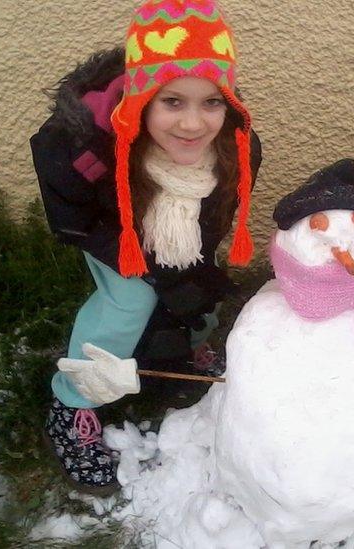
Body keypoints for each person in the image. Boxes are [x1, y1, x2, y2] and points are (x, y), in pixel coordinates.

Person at [30, 0, 261, 493]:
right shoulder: (85, 145)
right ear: (141, 99)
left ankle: (184, 352)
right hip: (113, 234)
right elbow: (70, 215)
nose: (193, 124)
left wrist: (187, 278)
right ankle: (73, 402)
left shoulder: (238, 147)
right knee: (129, 302)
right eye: (172, 101)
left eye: (211, 102)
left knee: (198, 292)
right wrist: (147, 271)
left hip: (185, 238)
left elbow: (217, 219)